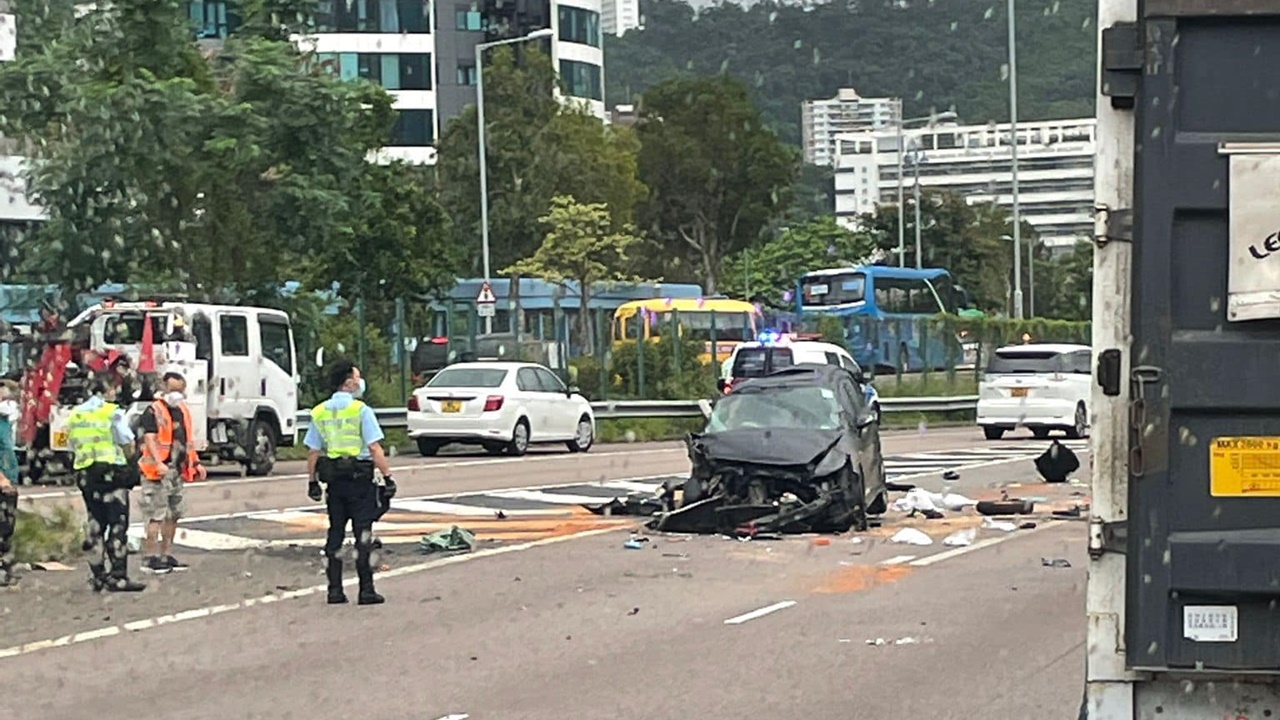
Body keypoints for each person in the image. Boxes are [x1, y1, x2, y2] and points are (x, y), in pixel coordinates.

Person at [305, 360, 396, 606]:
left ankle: (334, 591)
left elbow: (313, 451)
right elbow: (374, 447)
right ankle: (366, 590)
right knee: (363, 535)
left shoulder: (320, 411)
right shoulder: (360, 410)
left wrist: (312, 481)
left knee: (335, 534)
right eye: (357, 377)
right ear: (349, 382)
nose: (360, 381)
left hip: (335, 484)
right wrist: (388, 477)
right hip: (360, 482)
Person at [65, 376, 144, 592]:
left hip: (85, 473)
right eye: (112, 388)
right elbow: (127, 441)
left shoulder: (75, 413)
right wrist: (129, 463)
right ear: (104, 390)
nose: (114, 392)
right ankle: (118, 575)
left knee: (95, 524)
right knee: (117, 524)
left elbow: (71, 445)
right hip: (111, 474)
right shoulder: (111, 412)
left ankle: (98, 575)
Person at [137, 369, 206, 574]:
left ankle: (166, 555)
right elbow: (149, 439)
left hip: (176, 471)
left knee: (173, 514)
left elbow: (187, 441)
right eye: (174, 390)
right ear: (163, 389)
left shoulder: (182, 410)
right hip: (156, 472)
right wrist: (158, 462)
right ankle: (150, 558)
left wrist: (195, 463)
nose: (178, 394)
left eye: (181, 390)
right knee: (155, 515)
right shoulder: (153, 411)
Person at [0, 380, 20, 586]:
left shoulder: (4, 419)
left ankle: (5, 568)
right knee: (2, 525)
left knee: (7, 527)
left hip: (8, 478)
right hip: (2, 480)